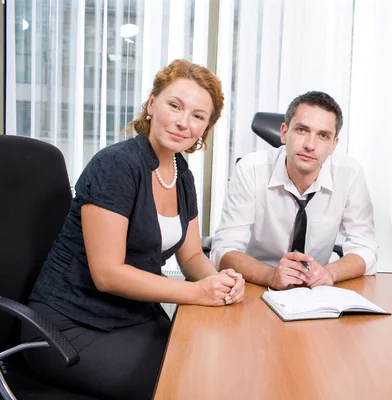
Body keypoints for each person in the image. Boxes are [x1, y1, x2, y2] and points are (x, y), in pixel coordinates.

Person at [22, 59, 245, 400]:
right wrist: (198, 293)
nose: (184, 123)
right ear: (152, 104)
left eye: (198, 116)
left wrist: (220, 282)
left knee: (220, 363)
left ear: (205, 128)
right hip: (68, 327)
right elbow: (107, 274)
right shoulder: (117, 164)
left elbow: (190, 256)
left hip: (130, 318)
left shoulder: (180, 174)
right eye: (175, 106)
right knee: (189, 385)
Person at [210, 91, 378, 290]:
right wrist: (272, 276)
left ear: (334, 145)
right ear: (284, 132)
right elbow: (223, 249)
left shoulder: (349, 174)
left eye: (323, 136)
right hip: (258, 284)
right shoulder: (251, 170)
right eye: (301, 130)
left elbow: (365, 247)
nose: (310, 145)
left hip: (316, 287)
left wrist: (330, 272)